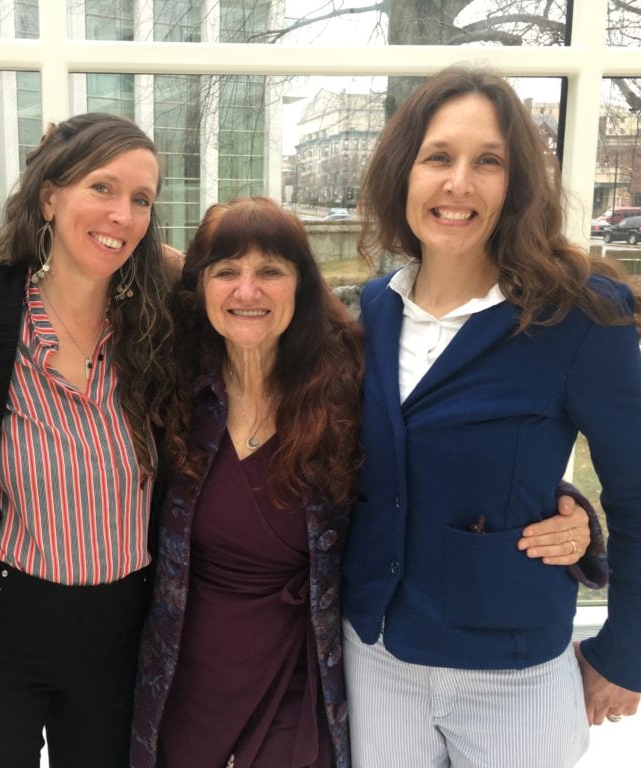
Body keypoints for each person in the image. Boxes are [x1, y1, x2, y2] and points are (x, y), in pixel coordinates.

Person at [130, 197, 598, 768]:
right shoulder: (173, 388)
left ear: (302, 284)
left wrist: (568, 511)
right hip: (189, 659)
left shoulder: (349, 383)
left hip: (304, 661)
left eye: (271, 272)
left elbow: (441, 461)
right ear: (200, 287)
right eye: (226, 272)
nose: (247, 292)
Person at [343, 66, 641, 767]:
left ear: (514, 185)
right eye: (438, 157)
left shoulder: (578, 318)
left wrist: (628, 650)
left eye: (487, 161)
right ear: (404, 174)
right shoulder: (369, 314)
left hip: (513, 673)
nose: (458, 182)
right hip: (374, 657)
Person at [0, 112, 176, 767]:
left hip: (120, 627)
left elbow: (263, 290)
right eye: (102, 187)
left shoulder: (156, 328)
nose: (122, 214)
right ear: (49, 196)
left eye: (141, 200)